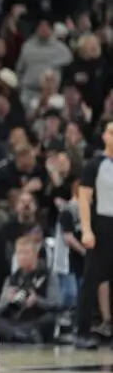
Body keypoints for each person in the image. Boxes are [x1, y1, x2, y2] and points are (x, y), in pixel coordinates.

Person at [76, 120, 113, 348]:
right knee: (91, 278)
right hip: (101, 224)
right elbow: (84, 199)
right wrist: (87, 230)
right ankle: (82, 331)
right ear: (105, 137)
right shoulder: (95, 165)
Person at [0, 237, 60, 343]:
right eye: (19, 253)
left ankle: (18, 335)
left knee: (50, 319)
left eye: (26, 253)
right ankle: (19, 334)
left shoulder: (48, 275)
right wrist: (7, 299)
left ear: (35, 254)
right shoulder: (11, 279)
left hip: (36, 319)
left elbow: (55, 303)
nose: (23, 257)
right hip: (16, 321)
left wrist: (37, 300)